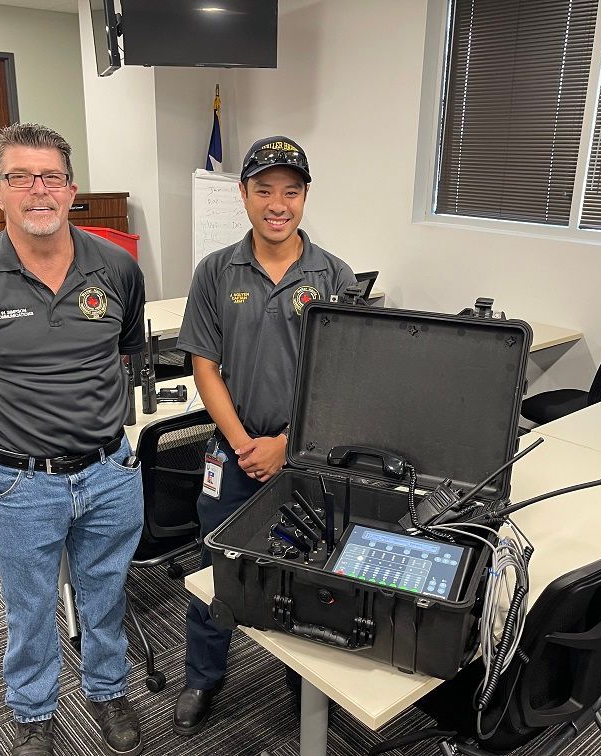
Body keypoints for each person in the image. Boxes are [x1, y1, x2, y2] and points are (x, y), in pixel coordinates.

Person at [0, 123, 146, 756]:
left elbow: (125, 352)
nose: (37, 191)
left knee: (105, 596)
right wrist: (6, 397)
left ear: (72, 191)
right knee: (31, 607)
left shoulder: (118, 268)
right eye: (20, 177)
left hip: (109, 474)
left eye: (50, 177)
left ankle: (108, 692)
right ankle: (34, 710)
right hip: (21, 482)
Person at [172, 135, 356, 736]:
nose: (277, 204)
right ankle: (205, 674)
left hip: (305, 457)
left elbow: (343, 379)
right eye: (264, 191)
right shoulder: (216, 271)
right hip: (234, 452)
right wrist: (246, 445)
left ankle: (303, 678)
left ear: (304, 197)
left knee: (308, 570)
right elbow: (204, 363)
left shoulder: (335, 276)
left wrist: (288, 446)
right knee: (217, 570)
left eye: (291, 192)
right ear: (244, 195)